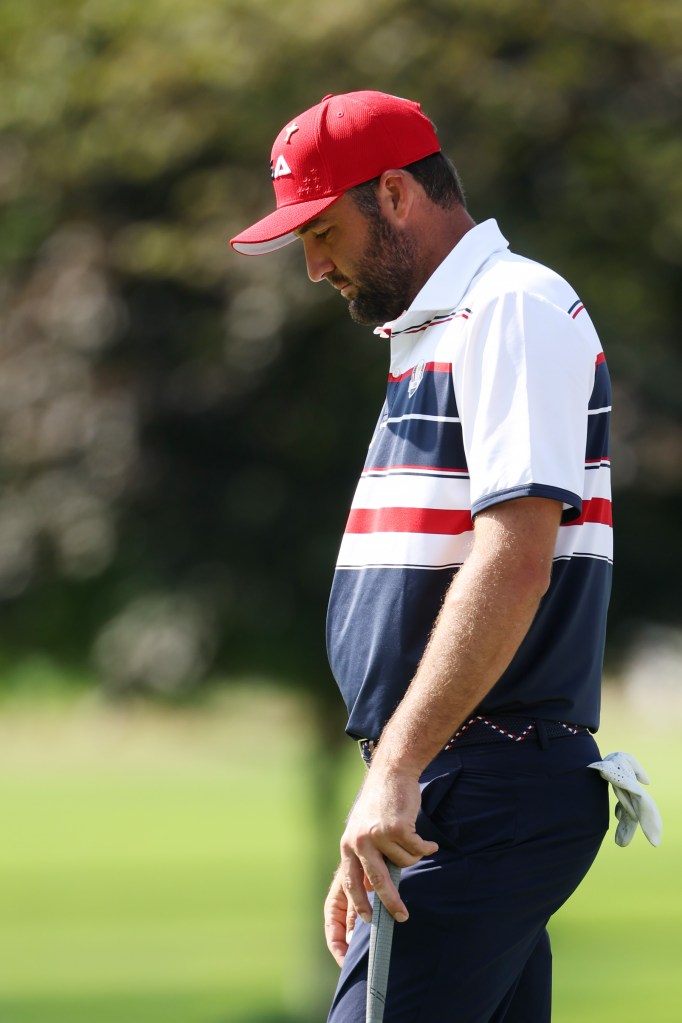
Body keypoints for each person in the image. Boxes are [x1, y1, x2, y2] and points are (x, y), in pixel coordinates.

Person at [231, 91, 612, 1022]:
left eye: (323, 232)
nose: (315, 267)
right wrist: (389, 782)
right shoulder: (440, 328)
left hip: (483, 787)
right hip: (457, 786)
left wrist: (397, 768)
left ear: (396, 193)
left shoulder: (509, 307)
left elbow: (515, 559)